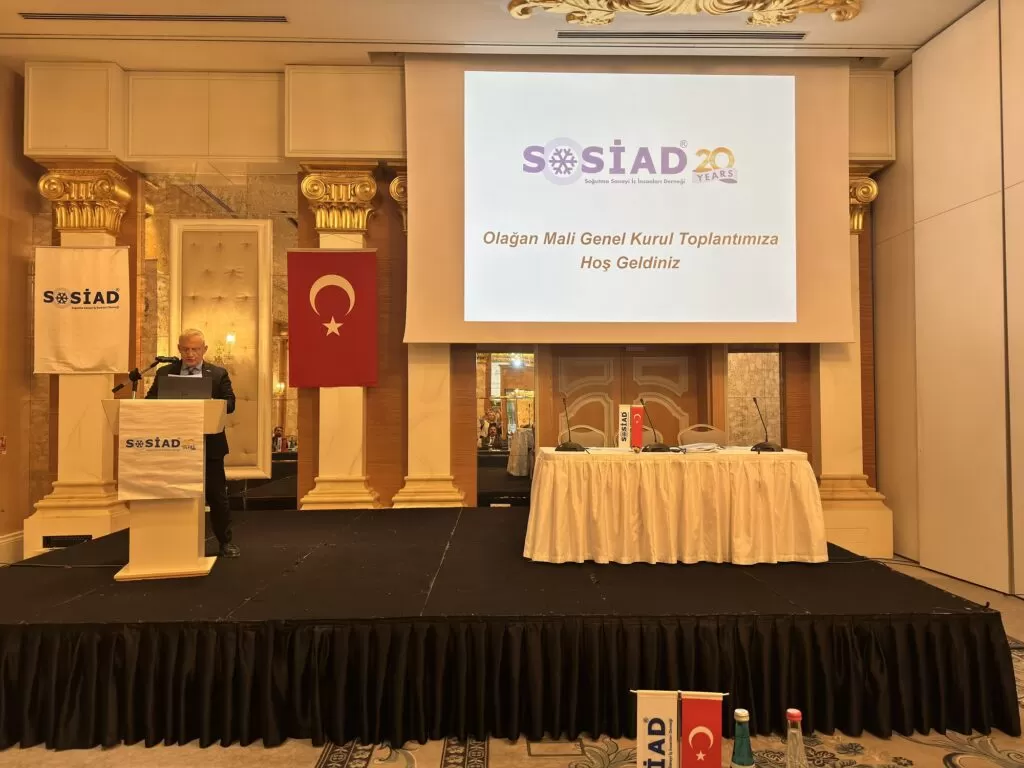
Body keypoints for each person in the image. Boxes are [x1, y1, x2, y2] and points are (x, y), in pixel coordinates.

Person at [146, 329, 239, 558]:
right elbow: (150, 401)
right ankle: (172, 542)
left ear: (204, 350)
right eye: (186, 349)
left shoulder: (217, 374)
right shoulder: (165, 372)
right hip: (174, 443)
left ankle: (225, 542)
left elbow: (230, 404)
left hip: (210, 445)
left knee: (217, 496)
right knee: (174, 493)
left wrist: (210, 404)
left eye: (195, 349)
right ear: (179, 349)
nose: (190, 354)